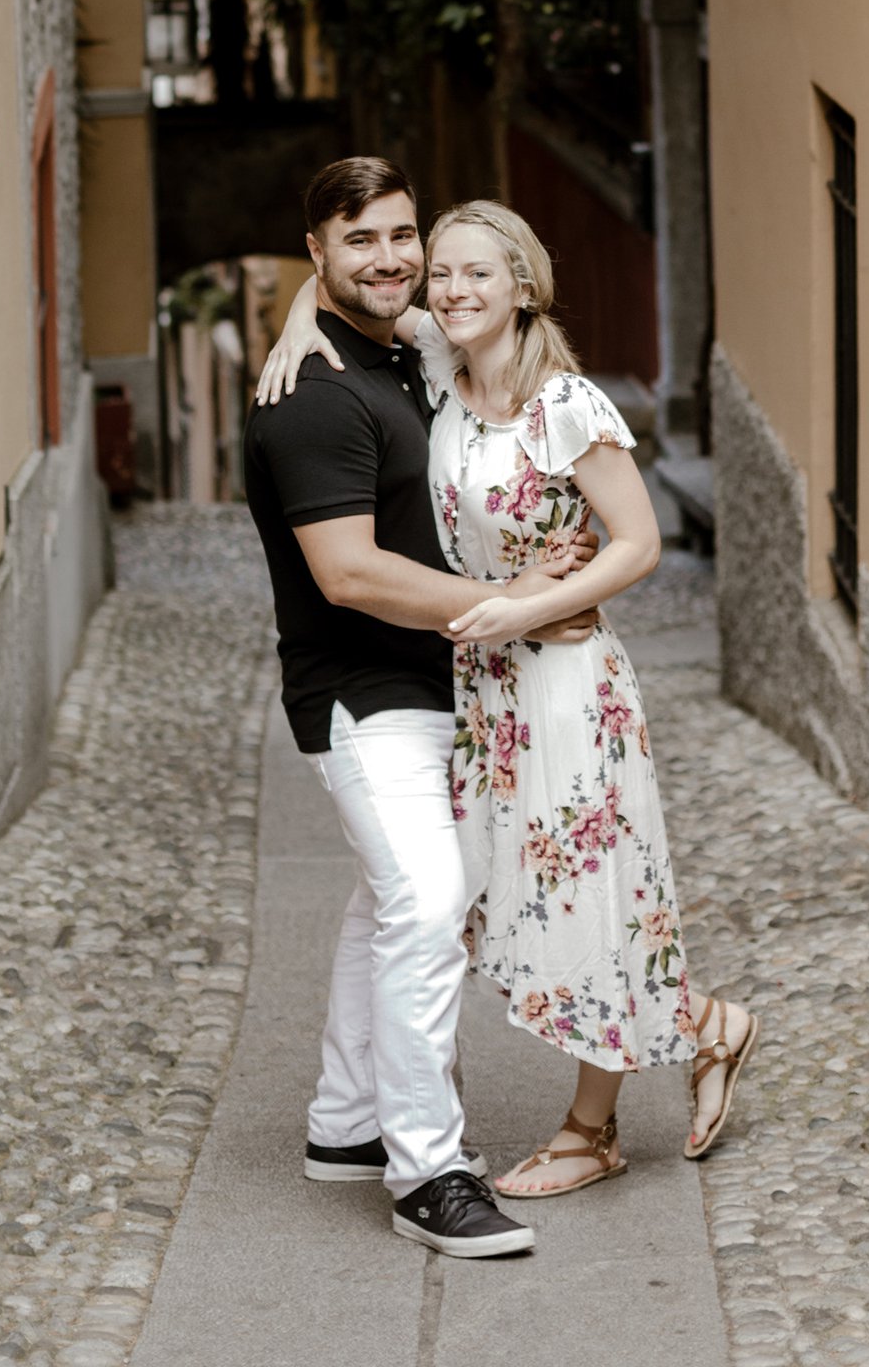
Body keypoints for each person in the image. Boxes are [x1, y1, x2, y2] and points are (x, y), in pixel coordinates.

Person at [259, 195, 760, 1199]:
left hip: (567, 682)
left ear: (522, 289)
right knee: (497, 901)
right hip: (482, 685)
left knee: (581, 892)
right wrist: (292, 323)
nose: (449, 289)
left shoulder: (566, 404)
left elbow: (640, 543)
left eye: (475, 273)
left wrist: (540, 605)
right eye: (442, 272)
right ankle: (705, 1023)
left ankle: (592, 1129)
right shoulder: (439, 373)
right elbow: (359, 280)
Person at [242, 157, 599, 1260]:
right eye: (359, 242)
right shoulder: (313, 397)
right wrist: (517, 603)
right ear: (316, 253)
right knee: (428, 900)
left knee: (383, 901)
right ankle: (426, 1171)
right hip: (367, 696)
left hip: (445, 685)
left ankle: (347, 1127)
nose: (391, 259)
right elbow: (349, 573)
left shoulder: (404, 353)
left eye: (401, 235)